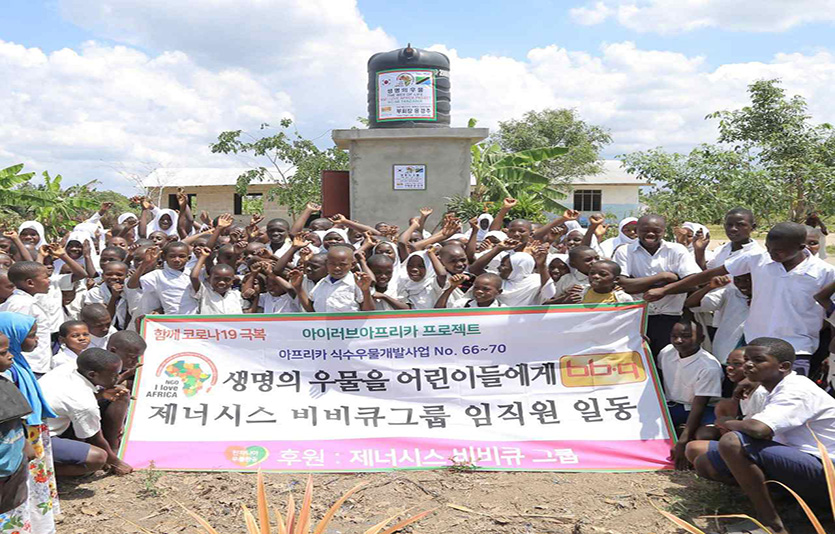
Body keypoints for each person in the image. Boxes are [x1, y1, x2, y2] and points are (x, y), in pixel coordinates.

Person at [647, 222, 835, 376]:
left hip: (797, 349)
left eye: (778, 251)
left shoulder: (823, 272)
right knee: (749, 400)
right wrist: (666, 289)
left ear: (801, 247)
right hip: (756, 345)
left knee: (791, 403)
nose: (771, 254)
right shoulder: (757, 259)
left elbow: (832, 314)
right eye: (769, 248)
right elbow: (710, 274)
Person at [688, 338, 835, 534]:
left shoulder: (796, 390)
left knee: (732, 442)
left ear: (783, 366)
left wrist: (726, 422)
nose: (748, 365)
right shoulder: (773, 386)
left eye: (758, 360)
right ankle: (788, 505)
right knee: (705, 462)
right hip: (800, 462)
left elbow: (759, 429)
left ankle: (771, 524)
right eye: (747, 359)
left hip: (827, 472)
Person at [613, 215, 710, 359]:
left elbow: (694, 282)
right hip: (637, 319)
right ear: (637, 230)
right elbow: (623, 284)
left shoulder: (676, 250)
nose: (650, 234)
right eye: (645, 230)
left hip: (671, 319)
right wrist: (663, 277)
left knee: (668, 363)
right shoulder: (624, 251)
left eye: (656, 230)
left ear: (664, 231)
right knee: (640, 363)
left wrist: (663, 290)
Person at [0, 312, 60, 533]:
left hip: (27, 436)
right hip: (18, 440)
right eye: (31, 335)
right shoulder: (8, 374)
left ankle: (37, 523)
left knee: (27, 489)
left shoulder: (17, 364)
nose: (37, 340)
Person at [40, 348, 133, 477]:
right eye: (114, 375)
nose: (118, 378)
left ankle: (113, 448)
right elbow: (95, 437)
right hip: (40, 437)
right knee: (98, 458)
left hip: (54, 422)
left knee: (121, 393)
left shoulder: (69, 367)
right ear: (92, 375)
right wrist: (116, 463)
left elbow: (69, 401)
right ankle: (40, 472)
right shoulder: (84, 403)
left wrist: (100, 394)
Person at [658, 320, 724, 470]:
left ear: (701, 338)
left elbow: (699, 405)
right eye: (674, 336)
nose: (678, 340)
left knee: (706, 435)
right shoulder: (666, 352)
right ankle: (682, 430)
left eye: (686, 336)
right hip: (672, 405)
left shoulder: (709, 367)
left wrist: (683, 441)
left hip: (701, 409)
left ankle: (687, 436)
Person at [0, 332, 33, 517]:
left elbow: (16, 420)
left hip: (14, 462)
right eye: (3, 352)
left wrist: (25, 446)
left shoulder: (6, 382)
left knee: (10, 508)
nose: (10, 355)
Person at [684, 274, 751, 364]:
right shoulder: (729, 293)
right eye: (738, 280)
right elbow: (691, 304)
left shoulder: (770, 297)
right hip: (728, 351)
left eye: (747, 280)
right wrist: (709, 287)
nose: (742, 284)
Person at [0, 262, 53, 374]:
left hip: (36, 363)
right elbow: (13, 338)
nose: (49, 281)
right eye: (46, 277)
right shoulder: (21, 304)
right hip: (29, 363)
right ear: (30, 283)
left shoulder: (27, 301)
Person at [291, 245, 373, 313]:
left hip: (348, 329)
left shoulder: (356, 283)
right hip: (326, 330)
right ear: (327, 264)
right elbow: (311, 310)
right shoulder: (322, 283)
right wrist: (298, 288)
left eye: (342, 264)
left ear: (352, 264)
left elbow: (370, 312)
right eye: (332, 264)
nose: (337, 268)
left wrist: (366, 291)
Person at [130, 242, 198, 315]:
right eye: (172, 256)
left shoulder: (193, 274)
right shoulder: (158, 275)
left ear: (189, 258)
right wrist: (145, 264)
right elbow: (132, 285)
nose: (177, 260)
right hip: (169, 320)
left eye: (182, 256)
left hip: (193, 320)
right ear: (164, 257)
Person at [189, 247, 243, 314]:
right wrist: (203, 257)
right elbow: (194, 277)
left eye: (227, 279)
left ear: (232, 281)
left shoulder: (237, 295)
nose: (221, 282)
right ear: (209, 279)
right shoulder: (204, 293)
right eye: (217, 278)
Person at [83, 260, 129, 330]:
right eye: (109, 274)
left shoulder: (130, 291)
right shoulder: (95, 292)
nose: (114, 277)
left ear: (127, 276)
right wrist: (114, 297)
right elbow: (105, 317)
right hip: (104, 330)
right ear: (102, 276)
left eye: (119, 275)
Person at [436, 273, 503, 308]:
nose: (479, 291)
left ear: (499, 292)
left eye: (486, 289)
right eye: (476, 288)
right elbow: (438, 313)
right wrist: (452, 287)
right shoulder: (463, 305)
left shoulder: (503, 311)